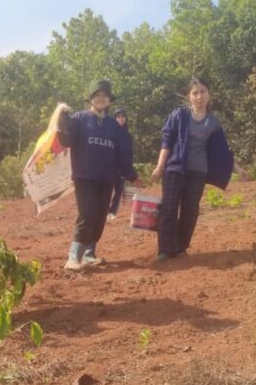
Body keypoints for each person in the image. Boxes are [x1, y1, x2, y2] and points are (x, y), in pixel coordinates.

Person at [55, 79, 139, 270]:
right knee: (88, 214)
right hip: (84, 177)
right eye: (97, 95)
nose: (101, 98)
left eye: (104, 96)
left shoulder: (114, 126)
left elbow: (122, 154)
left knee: (100, 217)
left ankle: (88, 255)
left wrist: (132, 175)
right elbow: (67, 141)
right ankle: (73, 258)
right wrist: (62, 120)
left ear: (110, 100)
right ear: (91, 98)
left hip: (106, 178)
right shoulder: (79, 118)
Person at [150, 77, 234, 261]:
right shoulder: (179, 115)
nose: (199, 96)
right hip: (174, 169)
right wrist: (160, 166)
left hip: (198, 172)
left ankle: (181, 247)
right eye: (195, 93)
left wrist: (238, 169)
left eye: (203, 92)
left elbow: (222, 151)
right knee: (168, 208)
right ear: (189, 96)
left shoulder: (214, 122)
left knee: (190, 211)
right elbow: (166, 142)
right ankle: (165, 249)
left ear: (209, 94)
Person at [106, 107, 134, 219]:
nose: (121, 119)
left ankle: (112, 212)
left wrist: (129, 169)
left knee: (118, 191)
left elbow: (129, 153)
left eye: (123, 117)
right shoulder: (110, 133)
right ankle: (103, 210)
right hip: (110, 165)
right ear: (115, 119)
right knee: (107, 190)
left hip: (122, 168)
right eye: (118, 117)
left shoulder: (128, 136)